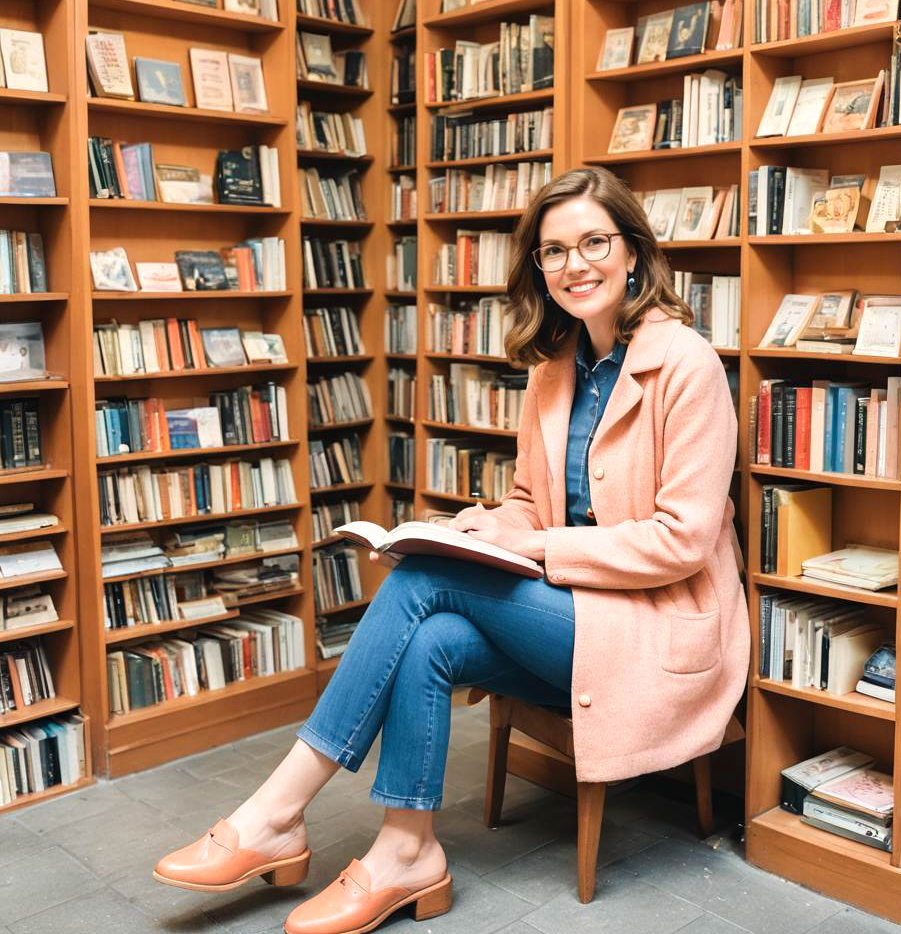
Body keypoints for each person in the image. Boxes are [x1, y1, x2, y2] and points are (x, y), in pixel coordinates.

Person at [152, 166, 749, 934]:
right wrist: (478, 529)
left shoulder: (689, 365)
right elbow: (532, 505)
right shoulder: (553, 370)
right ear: (539, 267)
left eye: (594, 243)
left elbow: (684, 540)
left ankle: (274, 813)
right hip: (575, 614)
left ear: (633, 251)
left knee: (424, 584)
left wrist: (532, 545)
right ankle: (408, 852)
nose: (575, 266)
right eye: (554, 251)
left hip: (656, 629)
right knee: (430, 631)